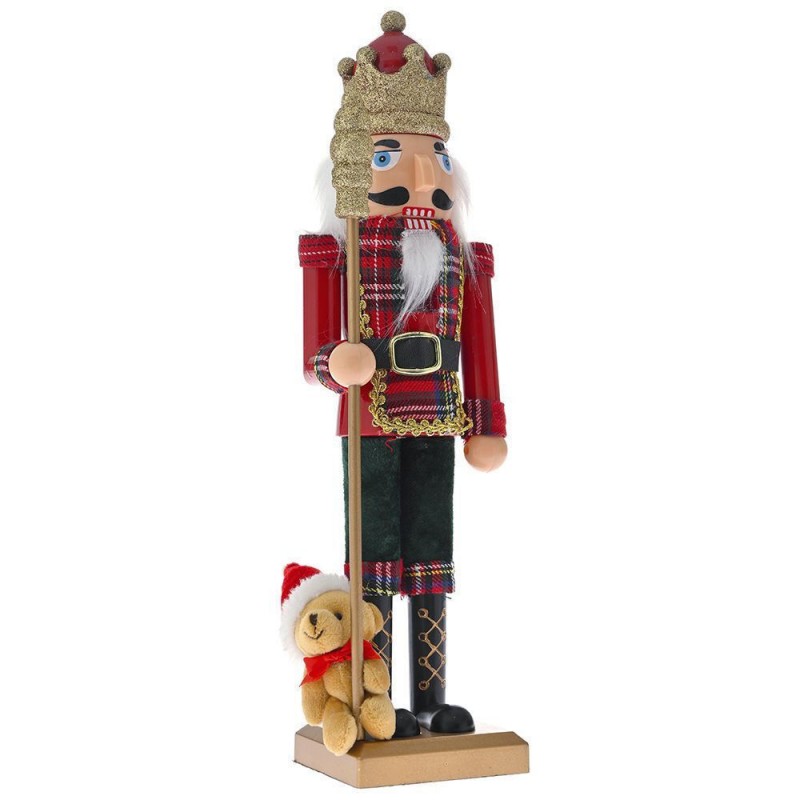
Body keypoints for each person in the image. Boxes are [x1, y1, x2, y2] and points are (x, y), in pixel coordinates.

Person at [299, 11, 507, 737]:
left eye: (435, 156)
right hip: (371, 418)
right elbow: (315, 351)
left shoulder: (460, 255)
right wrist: (337, 361)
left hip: (439, 414)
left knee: (431, 549)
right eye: (391, 155)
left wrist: (487, 422)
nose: (423, 175)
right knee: (376, 553)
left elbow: (481, 343)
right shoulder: (339, 250)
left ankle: (430, 696)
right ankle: (377, 698)